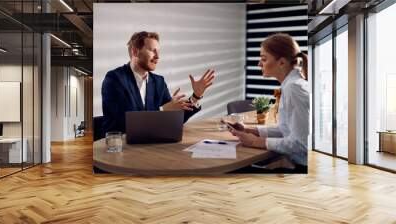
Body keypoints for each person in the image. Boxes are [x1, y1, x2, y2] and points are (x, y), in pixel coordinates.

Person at [102, 31, 215, 134]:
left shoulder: (158, 82)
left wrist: (196, 96)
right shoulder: (114, 79)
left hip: (150, 144)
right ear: (135, 51)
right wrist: (163, 110)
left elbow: (173, 118)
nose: (158, 57)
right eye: (152, 51)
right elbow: (125, 121)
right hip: (120, 146)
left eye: (158, 51)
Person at [228, 33, 309, 173]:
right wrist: (251, 130)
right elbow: (286, 130)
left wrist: (255, 142)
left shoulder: (293, 88)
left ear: (282, 62)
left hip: (301, 168)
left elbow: (301, 144)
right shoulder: (290, 85)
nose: (259, 64)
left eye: (264, 59)